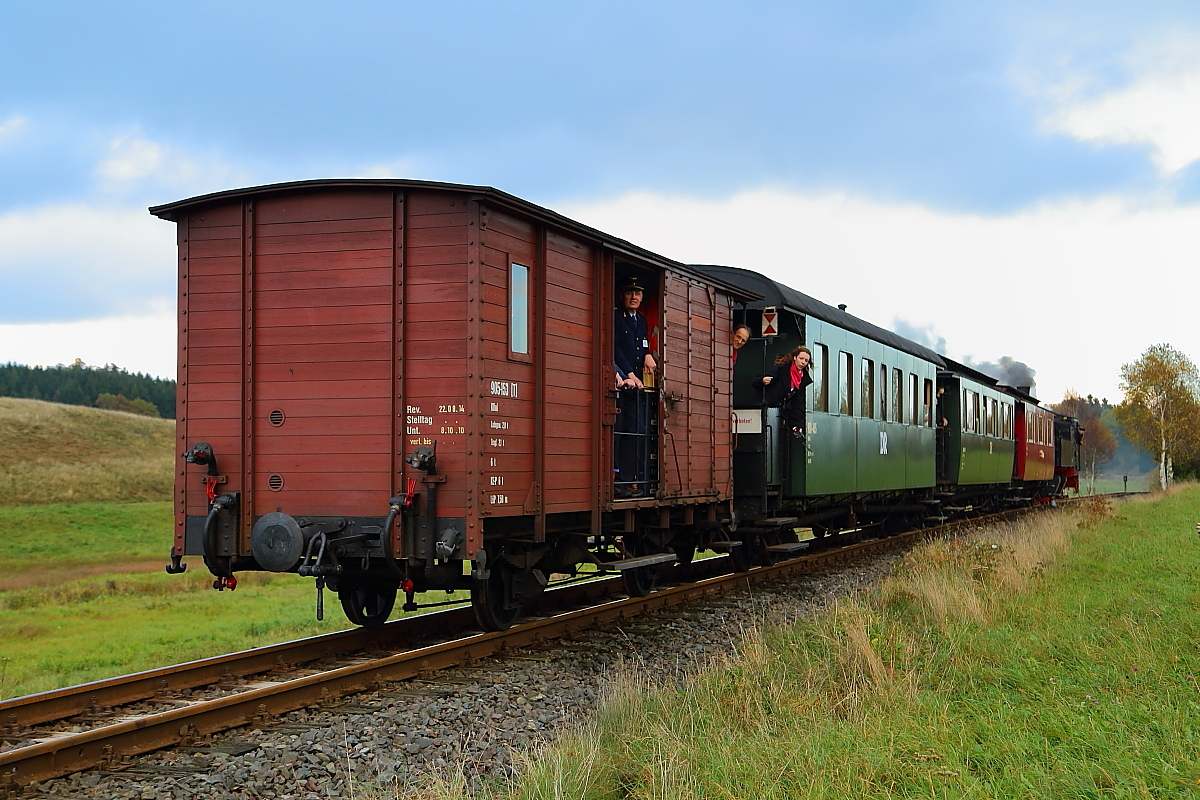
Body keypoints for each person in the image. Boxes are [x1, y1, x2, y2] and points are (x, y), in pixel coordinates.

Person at [614, 276, 656, 495]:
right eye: (630, 293)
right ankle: (619, 478)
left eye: (638, 293)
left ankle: (630, 479)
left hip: (637, 383)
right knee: (621, 430)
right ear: (623, 295)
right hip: (624, 382)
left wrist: (648, 354)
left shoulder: (641, 319)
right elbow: (615, 349)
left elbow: (642, 344)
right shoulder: (615, 317)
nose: (634, 297)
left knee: (637, 429)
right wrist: (629, 374)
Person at [756, 345, 813, 439]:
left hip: (778, 412)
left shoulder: (802, 380)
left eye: (806, 361)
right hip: (765, 406)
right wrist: (762, 380)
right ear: (795, 358)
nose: (803, 362)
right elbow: (758, 381)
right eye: (801, 358)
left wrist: (797, 425)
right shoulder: (781, 369)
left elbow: (798, 405)